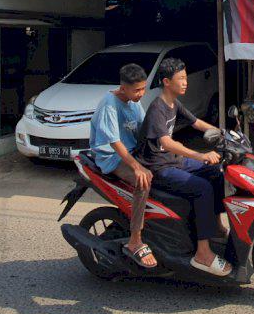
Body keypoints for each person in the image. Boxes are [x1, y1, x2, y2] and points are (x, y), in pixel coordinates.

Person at [139, 57, 231, 276]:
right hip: (159, 167)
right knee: (202, 188)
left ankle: (215, 226)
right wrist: (199, 156)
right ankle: (203, 253)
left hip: (173, 160)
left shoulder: (174, 103)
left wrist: (224, 135)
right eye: (180, 78)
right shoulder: (157, 108)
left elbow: (196, 123)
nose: (185, 82)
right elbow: (166, 142)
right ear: (166, 82)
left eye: (185, 77)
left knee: (216, 172)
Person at [88, 62, 157, 269]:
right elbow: (114, 143)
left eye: (144, 88)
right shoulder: (109, 103)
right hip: (112, 157)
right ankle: (135, 239)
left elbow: (144, 130)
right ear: (123, 87)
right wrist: (137, 167)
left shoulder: (134, 102)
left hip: (131, 152)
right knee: (143, 180)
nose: (141, 93)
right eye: (137, 90)